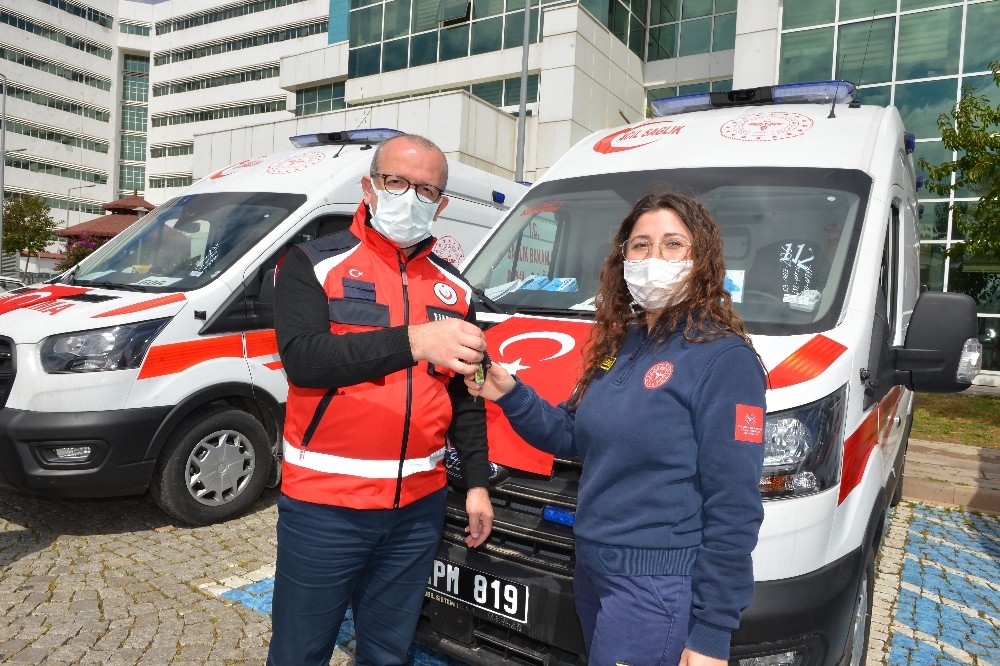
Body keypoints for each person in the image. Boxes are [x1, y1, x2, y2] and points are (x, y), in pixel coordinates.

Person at [467, 192, 766, 666]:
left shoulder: (724, 359)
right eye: (640, 246)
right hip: (593, 570)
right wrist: (509, 392)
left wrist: (712, 631)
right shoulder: (622, 343)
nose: (654, 259)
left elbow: (734, 507)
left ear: (701, 259)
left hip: (655, 588)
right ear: (622, 257)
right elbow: (572, 435)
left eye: (673, 245)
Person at [268, 133, 494, 666]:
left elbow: (469, 394)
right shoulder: (312, 263)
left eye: (426, 189)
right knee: (300, 652)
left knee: (390, 653)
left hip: (417, 510)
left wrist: (478, 485)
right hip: (326, 507)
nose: (410, 197)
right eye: (397, 182)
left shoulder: (455, 290)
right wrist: (413, 340)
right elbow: (304, 359)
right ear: (370, 188)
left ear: (441, 205)